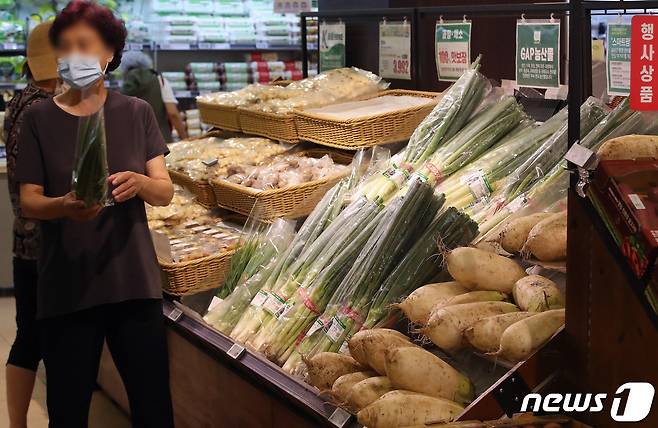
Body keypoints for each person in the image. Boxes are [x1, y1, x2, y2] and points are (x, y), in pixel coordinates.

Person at [15, 1, 174, 427]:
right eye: (65, 47)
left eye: (84, 45)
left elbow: (165, 191)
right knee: (67, 412)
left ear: (109, 53)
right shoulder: (38, 118)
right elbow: (28, 199)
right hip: (68, 286)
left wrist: (140, 183)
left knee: (154, 408)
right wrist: (63, 206)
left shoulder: (136, 112)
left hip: (133, 284)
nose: (74, 57)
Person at [3, 21, 59, 428]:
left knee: (29, 336)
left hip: (25, 242)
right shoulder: (44, 108)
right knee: (46, 341)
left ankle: (19, 422)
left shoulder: (20, 101)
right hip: (49, 244)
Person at [120, 50, 188, 142]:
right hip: (159, 141)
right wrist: (185, 139)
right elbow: (173, 114)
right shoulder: (160, 81)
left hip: (132, 143)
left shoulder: (124, 86)